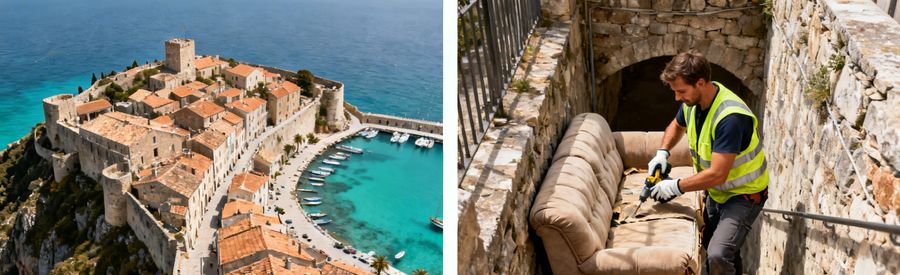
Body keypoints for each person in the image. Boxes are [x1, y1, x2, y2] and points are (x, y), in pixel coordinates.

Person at [648, 50, 769, 275]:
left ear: (701, 82)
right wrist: (662, 152)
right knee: (722, 250)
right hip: (717, 193)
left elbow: (717, 174)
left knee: (718, 254)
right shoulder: (692, 103)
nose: (677, 98)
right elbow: (676, 125)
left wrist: (675, 186)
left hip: (744, 195)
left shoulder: (730, 118)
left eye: (681, 91)